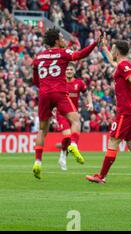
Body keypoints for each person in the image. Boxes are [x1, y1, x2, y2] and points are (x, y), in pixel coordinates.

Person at [31, 28, 101, 179]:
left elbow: (35, 80)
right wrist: (95, 43)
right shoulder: (63, 53)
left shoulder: (38, 57)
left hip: (43, 94)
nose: (64, 40)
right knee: (75, 120)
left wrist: (44, 87)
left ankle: (37, 162)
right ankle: (74, 145)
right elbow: (80, 54)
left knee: (42, 130)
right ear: (56, 41)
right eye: (62, 38)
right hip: (59, 92)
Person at [85, 38, 131, 184]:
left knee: (113, 140)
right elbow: (113, 63)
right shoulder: (122, 65)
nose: (112, 50)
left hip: (127, 110)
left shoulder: (124, 65)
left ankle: (101, 176)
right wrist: (104, 48)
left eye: (113, 48)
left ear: (118, 51)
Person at [55, 62, 94, 170]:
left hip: (73, 114)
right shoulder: (60, 82)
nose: (69, 71)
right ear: (64, 71)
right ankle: (63, 156)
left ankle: (72, 148)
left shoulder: (79, 83)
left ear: (74, 71)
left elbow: (87, 93)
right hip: (61, 114)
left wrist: (90, 103)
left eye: (71, 69)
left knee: (72, 135)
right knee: (67, 136)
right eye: (67, 69)